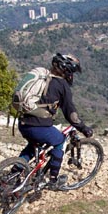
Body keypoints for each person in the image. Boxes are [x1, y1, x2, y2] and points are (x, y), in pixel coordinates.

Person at [17, 53, 94, 189]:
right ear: (67, 71)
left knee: (32, 147)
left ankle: (12, 175)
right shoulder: (62, 85)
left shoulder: (43, 77)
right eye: (73, 72)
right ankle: (53, 180)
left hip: (23, 123)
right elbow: (71, 114)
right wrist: (83, 128)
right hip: (39, 127)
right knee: (60, 141)